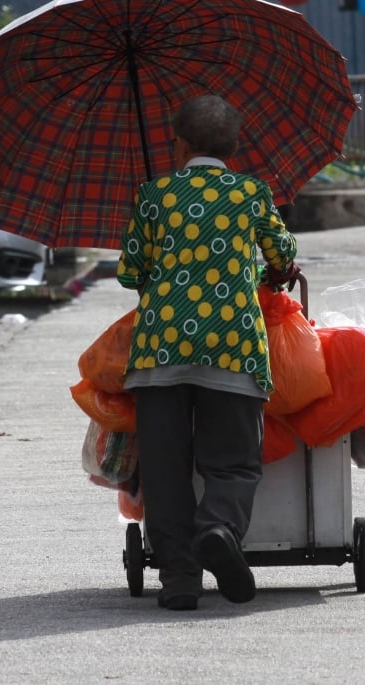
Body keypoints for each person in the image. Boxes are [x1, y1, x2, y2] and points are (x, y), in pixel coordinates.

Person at [116, 94, 298, 611]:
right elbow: (282, 254)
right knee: (234, 462)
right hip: (233, 345)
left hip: (160, 350)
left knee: (165, 468)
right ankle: (218, 528)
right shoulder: (251, 193)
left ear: (180, 143)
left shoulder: (154, 196)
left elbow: (130, 273)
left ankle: (178, 578)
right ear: (233, 146)